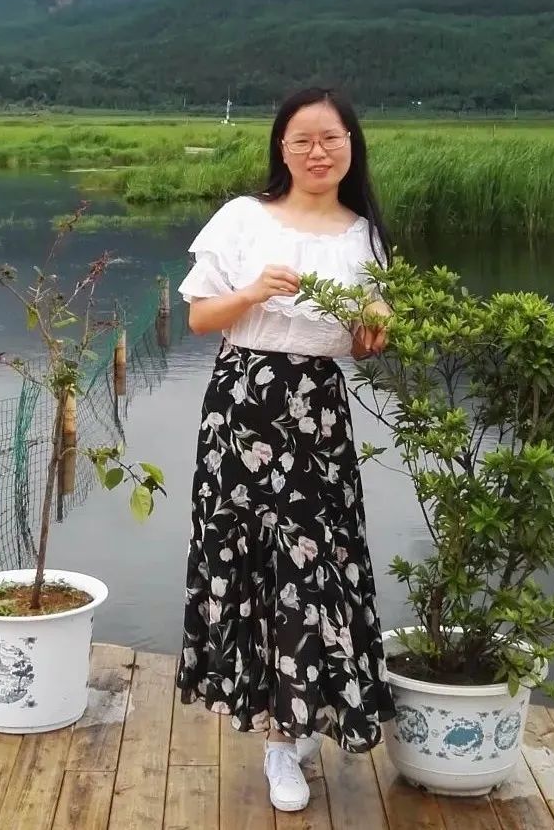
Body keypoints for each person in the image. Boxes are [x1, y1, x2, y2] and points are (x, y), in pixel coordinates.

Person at [175, 87, 397, 813]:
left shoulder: (364, 235)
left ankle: (296, 724)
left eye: (330, 139)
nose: (317, 151)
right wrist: (252, 293)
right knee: (250, 561)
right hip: (245, 404)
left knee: (318, 562)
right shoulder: (244, 218)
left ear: (351, 146)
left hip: (320, 413)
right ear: (281, 147)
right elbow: (202, 318)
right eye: (302, 139)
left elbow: (364, 348)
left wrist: (373, 327)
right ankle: (278, 738)